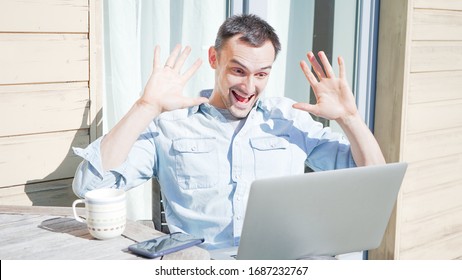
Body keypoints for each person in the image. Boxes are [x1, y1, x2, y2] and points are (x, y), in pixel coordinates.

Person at [72, 14, 385, 249]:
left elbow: (374, 181)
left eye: (261, 74)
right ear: (214, 59)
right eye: (238, 70)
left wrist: (350, 118)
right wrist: (145, 106)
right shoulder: (170, 125)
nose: (249, 87)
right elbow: (90, 185)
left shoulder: (291, 119)